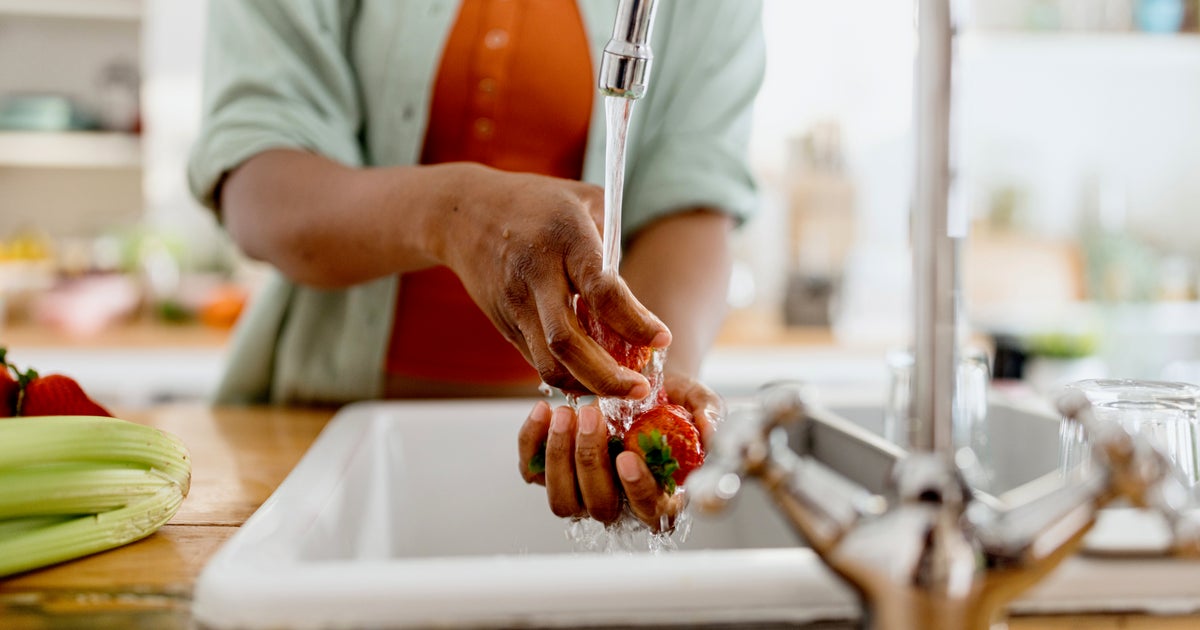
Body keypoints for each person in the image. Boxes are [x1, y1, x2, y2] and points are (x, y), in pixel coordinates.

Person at [188, 0, 765, 530]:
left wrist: (645, 400)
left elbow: (692, 199)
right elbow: (259, 185)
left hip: (567, 445)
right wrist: (454, 214)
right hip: (321, 442)